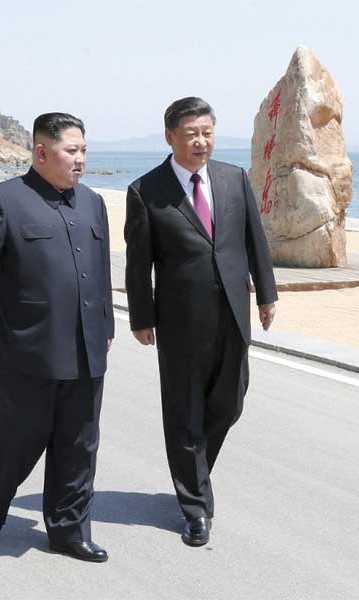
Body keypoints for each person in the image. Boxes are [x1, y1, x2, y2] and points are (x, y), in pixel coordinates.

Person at [0, 112, 114, 563]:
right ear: (42, 152)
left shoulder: (94, 203)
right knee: (17, 435)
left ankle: (68, 530)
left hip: (85, 346)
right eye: (71, 151)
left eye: (84, 150)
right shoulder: (3, 200)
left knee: (79, 442)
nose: (80, 159)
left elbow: (100, 271)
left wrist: (107, 326)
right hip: (25, 348)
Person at [124, 97, 278, 547]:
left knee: (230, 402)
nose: (200, 141)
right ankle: (194, 508)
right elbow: (139, 264)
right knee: (184, 412)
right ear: (170, 137)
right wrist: (140, 316)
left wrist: (267, 295)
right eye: (191, 133)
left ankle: (195, 472)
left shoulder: (234, 178)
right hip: (178, 321)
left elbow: (255, 240)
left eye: (207, 132)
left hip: (233, 311)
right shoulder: (145, 191)